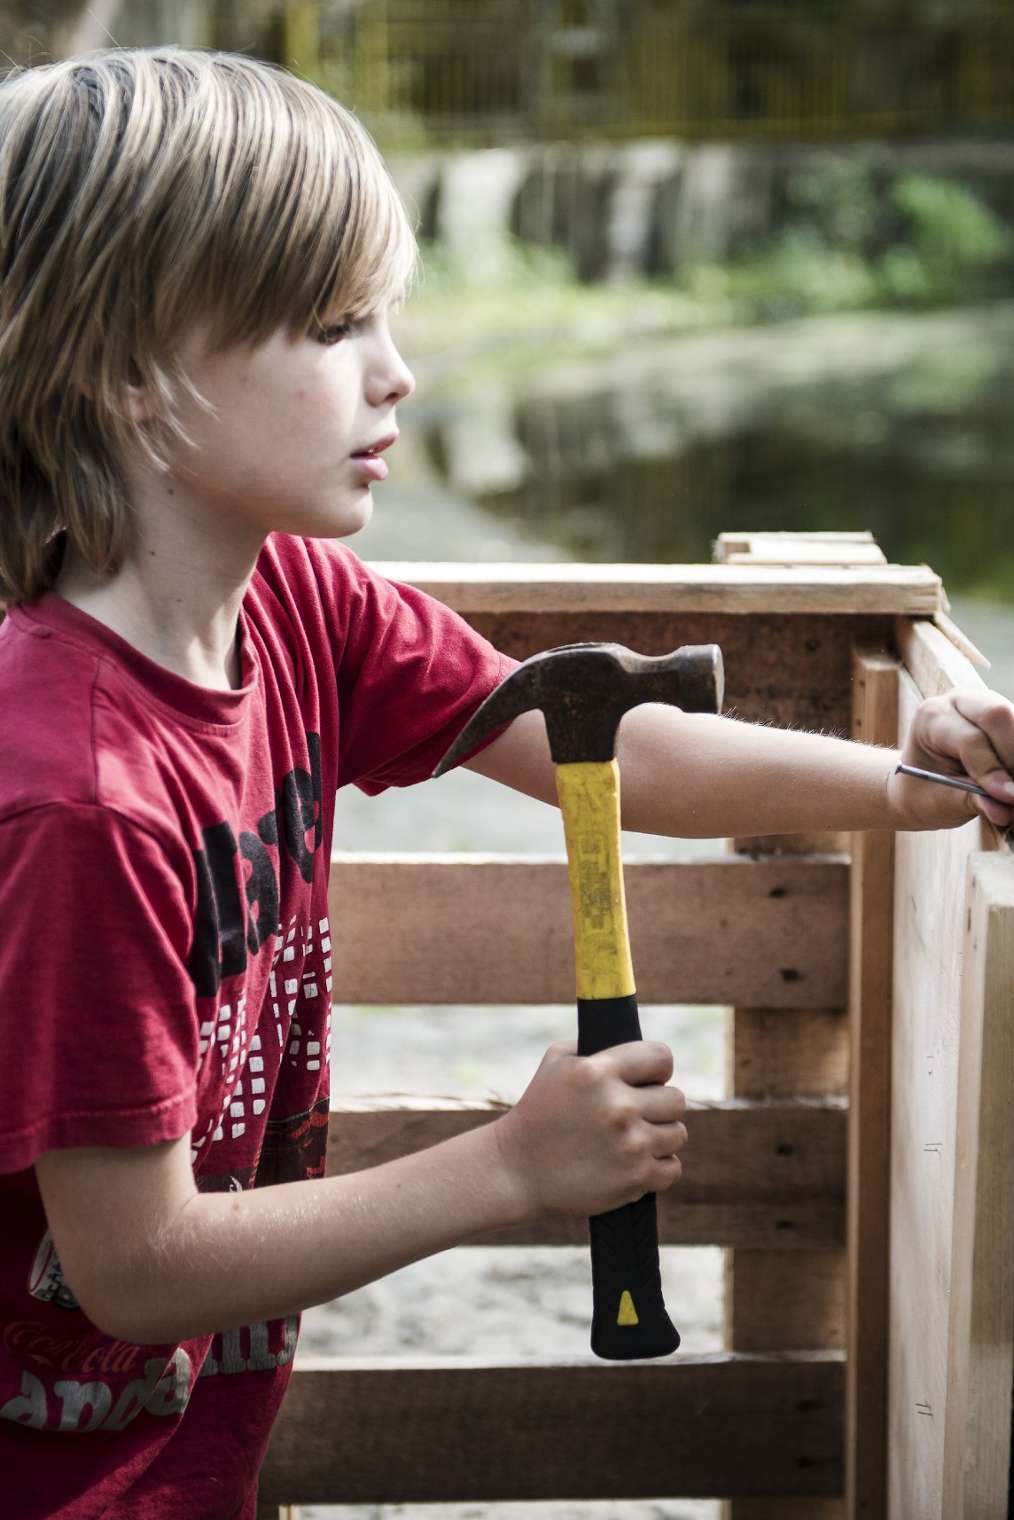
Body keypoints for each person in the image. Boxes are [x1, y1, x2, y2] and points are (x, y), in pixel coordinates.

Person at [0, 45, 1011, 1520]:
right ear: (129, 372)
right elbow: (139, 1268)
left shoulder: (291, 606)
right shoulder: (74, 797)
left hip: (185, 1450)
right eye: (336, 323)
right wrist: (506, 1171)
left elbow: (604, 740)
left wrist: (908, 780)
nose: (396, 371)